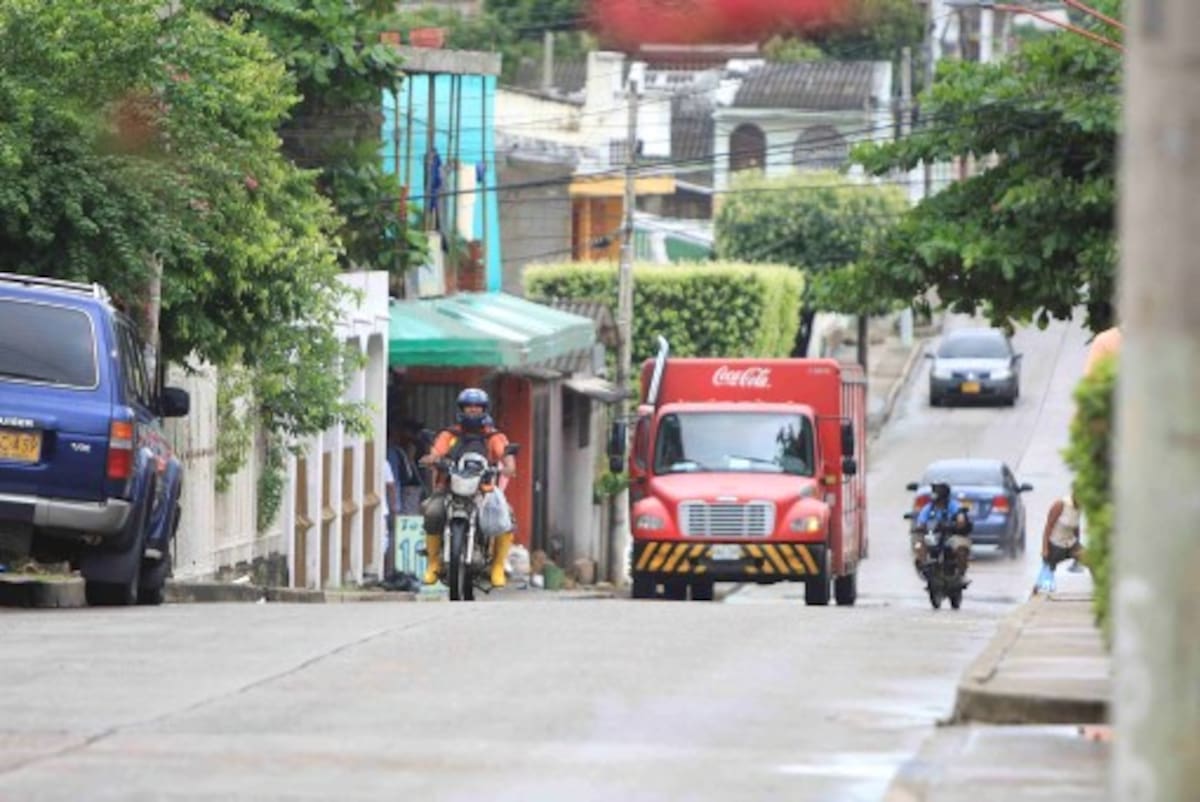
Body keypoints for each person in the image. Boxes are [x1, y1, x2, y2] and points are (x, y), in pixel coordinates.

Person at [419, 388, 517, 587]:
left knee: (507, 515)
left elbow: (506, 454)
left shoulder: (493, 435)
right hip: (449, 487)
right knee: (432, 511)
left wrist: (508, 466)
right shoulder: (450, 434)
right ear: (461, 409)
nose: (472, 411)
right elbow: (437, 451)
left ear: (484, 410)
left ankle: (498, 566)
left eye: (477, 408)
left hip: (483, 489)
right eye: (468, 407)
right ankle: (433, 563)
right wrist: (432, 458)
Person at [912, 481, 972, 580]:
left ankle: (960, 575)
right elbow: (921, 523)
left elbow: (961, 519)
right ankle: (925, 568)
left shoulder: (954, 506)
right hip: (933, 536)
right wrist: (920, 528)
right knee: (918, 544)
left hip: (951, 536)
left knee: (961, 548)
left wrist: (958, 523)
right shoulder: (929, 508)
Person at [1035, 490, 1087, 594]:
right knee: (1046, 577)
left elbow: (1076, 527)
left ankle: (1101, 593)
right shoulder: (1060, 505)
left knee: (1090, 559)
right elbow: (1048, 526)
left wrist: (1078, 545)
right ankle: (1035, 594)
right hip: (1055, 545)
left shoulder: (1079, 507)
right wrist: (1045, 548)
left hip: (1071, 543)